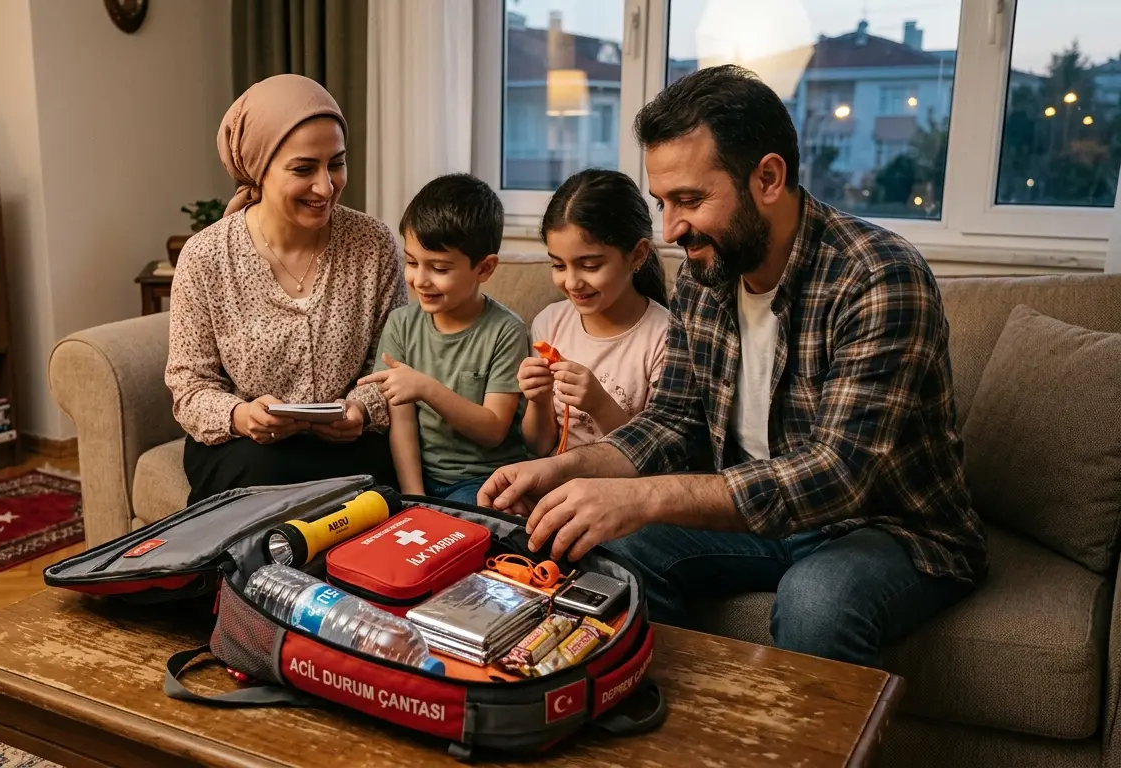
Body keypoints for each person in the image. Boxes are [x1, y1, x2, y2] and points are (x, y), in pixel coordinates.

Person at [478, 64, 988, 669]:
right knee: (621, 552)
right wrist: (561, 470)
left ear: (768, 178)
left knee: (818, 601)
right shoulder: (706, 274)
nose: (671, 229)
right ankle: (677, 716)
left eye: (690, 200)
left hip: (886, 528)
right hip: (762, 522)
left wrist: (641, 498)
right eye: (663, 203)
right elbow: (671, 422)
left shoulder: (878, 278)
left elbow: (839, 475)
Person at [165, 73, 406, 505]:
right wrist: (241, 416)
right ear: (259, 170)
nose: (325, 186)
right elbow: (190, 386)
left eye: (336, 163)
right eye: (303, 169)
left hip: (349, 444)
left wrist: (361, 409)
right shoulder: (206, 257)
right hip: (246, 446)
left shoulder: (373, 244)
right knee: (264, 473)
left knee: (378, 478)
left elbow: (392, 362)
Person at [357, 174, 530, 506]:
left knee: (466, 523)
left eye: (438, 268)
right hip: (418, 477)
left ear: (484, 269)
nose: (420, 280)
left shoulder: (506, 330)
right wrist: (414, 498)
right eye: (411, 262)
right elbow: (402, 425)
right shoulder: (401, 324)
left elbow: (493, 430)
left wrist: (427, 388)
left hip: (485, 479)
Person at [519, 169, 671, 457]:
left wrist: (600, 405)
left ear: (637, 255)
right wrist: (538, 400)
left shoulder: (664, 337)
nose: (572, 282)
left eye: (590, 266)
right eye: (559, 265)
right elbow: (538, 447)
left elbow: (655, 456)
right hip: (554, 476)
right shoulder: (549, 323)